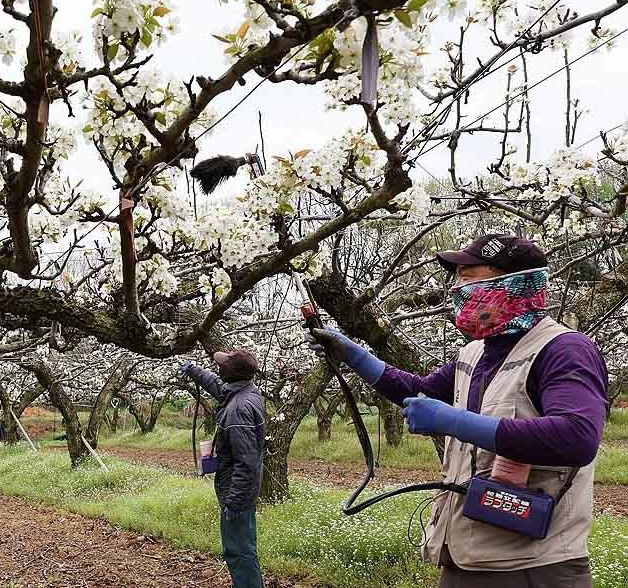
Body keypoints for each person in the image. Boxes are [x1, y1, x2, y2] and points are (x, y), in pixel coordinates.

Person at [307, 233, 608, 588]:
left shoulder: (564, 350)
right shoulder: (477, 352)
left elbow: (578, 436)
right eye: (456, 279)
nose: (457, 290)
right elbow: (417, 391)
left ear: (514, 284)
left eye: (469, 278)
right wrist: (354, 355)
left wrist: (454, 421)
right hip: (467, 552)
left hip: (532, 565)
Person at [179, 349, 266, 588]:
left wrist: (234, 502)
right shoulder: (245, 392)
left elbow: (246, 462)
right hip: (239, 491)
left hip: (237, 494)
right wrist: (194, 371)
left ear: (229, 373)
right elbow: (217, 386)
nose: (219, 367)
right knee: (243, 548)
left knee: (239, 552)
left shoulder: (238, 410)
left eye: (223, 365)